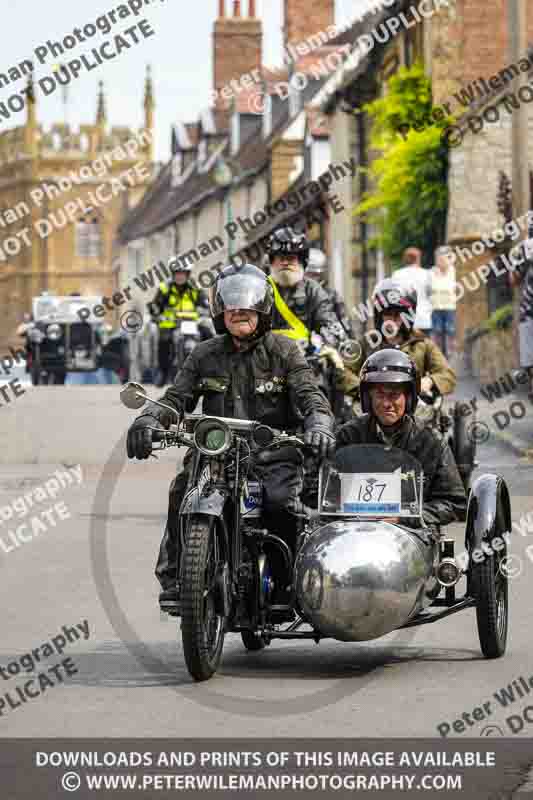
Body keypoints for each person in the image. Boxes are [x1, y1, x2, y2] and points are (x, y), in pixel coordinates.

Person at [127, 263, 336, 609]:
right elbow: (175, 399)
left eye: (247, 305)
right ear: (219, 310)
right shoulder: (204, 354)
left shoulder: (284, 351)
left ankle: (287, 583)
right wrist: (148, 419)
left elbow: (310, 395)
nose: (239, 312)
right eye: (231, 305)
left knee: (281, 502)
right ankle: (180, 577)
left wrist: (319, 424)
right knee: (182, 491)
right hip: (215, 454)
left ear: (263, 308)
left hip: (272, 455)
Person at [336, 349, 467, 532]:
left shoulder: (431, 442)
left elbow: (455, 503)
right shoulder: (348, 436)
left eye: (394, 395)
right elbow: (322, 493)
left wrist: (405, 517)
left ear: (409, 397)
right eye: (380, 395)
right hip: (356, 534)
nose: (387, 403)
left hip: (412, 536)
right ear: (368, 397)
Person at [341, 279, 456, 400]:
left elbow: (448, 375)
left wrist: (429, 381)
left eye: (398, 314)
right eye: (388, 313)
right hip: (375, 408)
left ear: (407, 317)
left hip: (413, 410)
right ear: (380, 316)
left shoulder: (422, 343)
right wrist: (364, 387)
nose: (392, 319)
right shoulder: (368, 343)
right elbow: (343, 370)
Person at [266, 227, 345, 349]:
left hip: (305, 360)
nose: (286, 263)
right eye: (281, 258)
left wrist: (330, 341)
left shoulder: (313, 290)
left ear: (302, 262)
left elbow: (328, 322)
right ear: (272, 261)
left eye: (291, 258)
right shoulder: (260, 288)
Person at [148, 258, 212, 387]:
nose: (180, 276)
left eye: (183, 273)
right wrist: (156, 315)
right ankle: (163, 372)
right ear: (172, 274)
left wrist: (207, 309)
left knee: (208, 335)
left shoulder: (195, 288)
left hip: (193, 323)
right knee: (163, 343)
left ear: (188, 274)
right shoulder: (165, 288)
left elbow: (206, 303)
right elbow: (155, 305)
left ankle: (211, 370)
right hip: (171, 324)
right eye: (177, 273)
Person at [305, 248, 355, 338]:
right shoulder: (291, 296)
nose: (311, 279)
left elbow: (345, 322)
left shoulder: (332, 296)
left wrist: (348, 340)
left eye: (314, 275)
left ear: (322, 274)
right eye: (308, 274)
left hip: (326, 343)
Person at [510, 234, 533, 402]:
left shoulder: (526, 246)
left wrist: (513, 262)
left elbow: (514, 279)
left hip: (530, 311)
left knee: (530, 360)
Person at [393, 247, 433, 335]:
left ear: (405, 259)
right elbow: (431, 295)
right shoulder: (426, 274)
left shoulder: (397, 274)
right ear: (418, 258)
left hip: (404, 319)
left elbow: (395, 296)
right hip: (424, 318)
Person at [431, 246, 457, 360]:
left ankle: (450, 354)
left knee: (450, 330)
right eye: (439, 258)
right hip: (436, 306)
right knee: (437, 331)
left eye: (443, 258)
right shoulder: (432, 272)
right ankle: (439, 354)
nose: (441, 260)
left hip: (450, 306)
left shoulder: (453, 270)